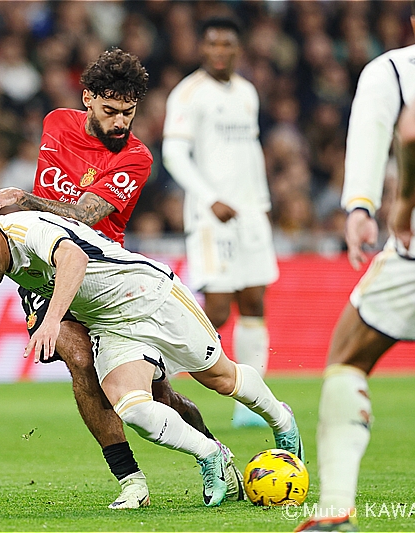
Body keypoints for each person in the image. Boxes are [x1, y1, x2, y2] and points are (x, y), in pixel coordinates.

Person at [0, 48, 214, 510]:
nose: (121, 123)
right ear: (87, 99)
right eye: (110, 111)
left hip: (105, 276)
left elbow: (82, 218)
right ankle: (131, 482)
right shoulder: (55, 123)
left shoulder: (137, 157)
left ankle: (213, 453)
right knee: (79, 357)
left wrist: (24, 198)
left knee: (157, 395)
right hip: (44, 273)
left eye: (129, 112)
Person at [0, 204, 304, 508]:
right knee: (133, 407)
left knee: (221, 379)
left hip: (150, 296)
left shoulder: (28, 230)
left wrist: (52, 320)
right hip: (112, 326)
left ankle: (281, 420)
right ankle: (211, 455)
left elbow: (73, 259)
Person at [297, 1, 415, 530]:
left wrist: (362, 207)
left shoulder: (393, 66)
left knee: (348, 356)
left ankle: (336, 507)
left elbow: (375, 136)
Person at [162, 17, 278, 429]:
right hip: (212, 217)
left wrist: (261, 203)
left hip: (250, 214)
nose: (219, 51)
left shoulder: (247, 92)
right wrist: (211, 198)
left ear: (237, 48)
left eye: (227, 44)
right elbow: (174, 154)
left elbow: (250, 152)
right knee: (218, 308)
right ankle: (159, 368)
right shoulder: (189, 94)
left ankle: (251, 403)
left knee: (254, 303)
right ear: (202, 48)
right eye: (212, 44)